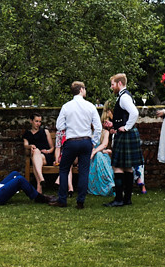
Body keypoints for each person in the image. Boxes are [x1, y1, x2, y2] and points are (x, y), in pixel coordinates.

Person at [50, 81, 103, 209]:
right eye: (84, 89)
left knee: (63, 169)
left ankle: (62, 199)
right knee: (84, 171)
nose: (85, 91)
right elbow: (98, 128)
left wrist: (70, 127)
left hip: (72, 141)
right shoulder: (90, 106)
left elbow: (59, 126)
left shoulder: (66, 106)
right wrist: (93, 142)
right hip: (85, 141)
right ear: (81, 90)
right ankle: (80, 201)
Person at [104, 73, 141, 207]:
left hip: (126, 134)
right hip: (127, 134)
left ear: (119, 83)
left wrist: (126, 127)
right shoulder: (125, 96)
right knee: (127, 167)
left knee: (118, 166)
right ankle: (127, 199)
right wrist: (115, 125)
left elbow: (134, 113)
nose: (111, 87)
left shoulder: (124, 97)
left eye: (112, 84)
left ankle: (119, 199)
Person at [22, 112, 55, 192]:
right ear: (31, 121)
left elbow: (52, 148)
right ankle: (40, 183)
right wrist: (30, 146)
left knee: (35, 157)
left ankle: (40, 181)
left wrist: (47, 151)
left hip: (45, 157)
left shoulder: (45, 131)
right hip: (35, 156)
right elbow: (25, 145)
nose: (38, 123)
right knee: (36, 152)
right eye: (36, 121)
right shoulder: (27, 134)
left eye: (40, 121)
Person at [87, 105, 115, 197]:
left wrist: (96, 151)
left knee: (99, 155)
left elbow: (104, 145)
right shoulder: (87, 132)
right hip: (90, 158)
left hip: (101, 156)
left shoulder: (105, 132)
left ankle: (109, 184)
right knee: (98, 154)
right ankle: (109, 184)